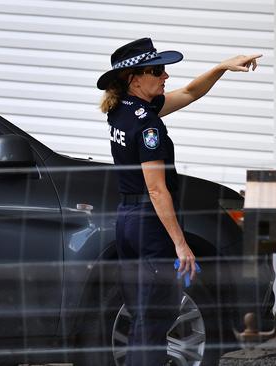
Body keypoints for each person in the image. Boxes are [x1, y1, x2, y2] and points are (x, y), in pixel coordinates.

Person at [97, 37, 260, 366]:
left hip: (127, 220)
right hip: (148, 222)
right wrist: (181, 244)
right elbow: (157, 190)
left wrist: (220, 68)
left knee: (143, 314)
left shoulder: (122, 109)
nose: (165, 76)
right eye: (157, 70)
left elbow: (189, 93)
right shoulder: (147, 124)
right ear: (134, 78)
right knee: (156, 316)